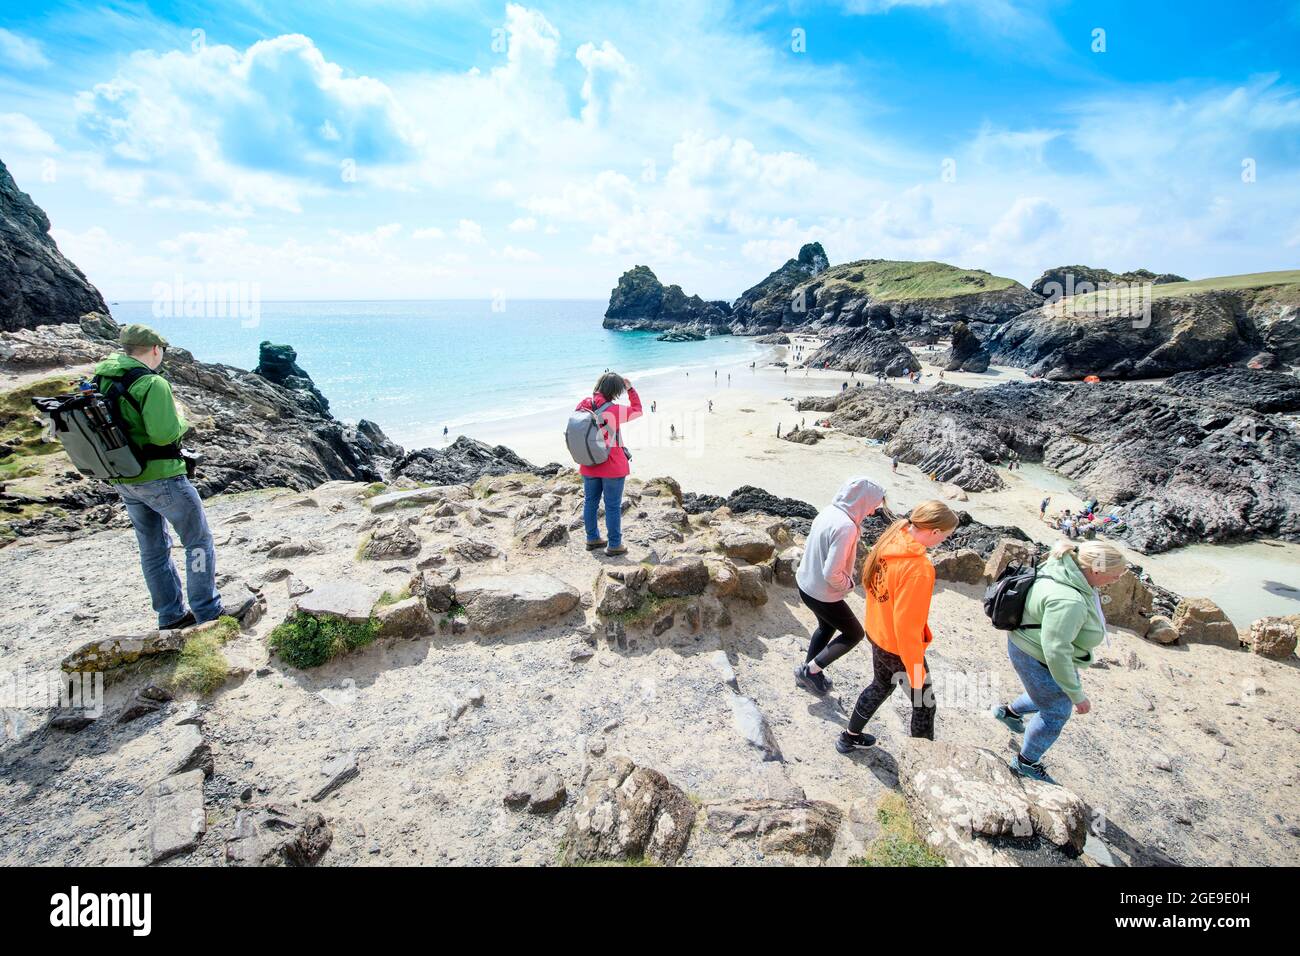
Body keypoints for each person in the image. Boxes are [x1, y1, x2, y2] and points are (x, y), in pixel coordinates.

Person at [94, 324, 251, 629]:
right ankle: (208, 611)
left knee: (153, 548)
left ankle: (170, 615)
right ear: (155, 349)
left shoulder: (101, 377)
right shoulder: (151, 383)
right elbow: (164, 434)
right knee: (198, 542)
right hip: (162, 477)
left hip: (125, 478)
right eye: (162, 351)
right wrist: (181, 419)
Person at [992, 540, 1125, 784]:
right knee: (1056, 710)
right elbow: (1056, 651)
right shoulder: (1069, 600)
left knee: (1047, 692)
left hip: (1024, 644)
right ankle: (1026, 762)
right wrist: (1076, 695)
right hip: (1035, 655)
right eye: (1114, 576)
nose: (1115, 581)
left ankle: (1009, 713)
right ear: (1096, 571)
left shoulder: (1060, 567)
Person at [836, 500, 959, 753]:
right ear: (934, 532)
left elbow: (873, 586)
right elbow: (907, 626)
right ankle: (924, 764)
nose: (943, 541)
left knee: (881, 685)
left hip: (877, 633)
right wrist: (915, 670)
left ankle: (849, 737)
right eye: (945, 536)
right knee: (925, 705)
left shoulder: (892, 539)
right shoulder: (919, 568)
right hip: (898, 647)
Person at [793, 477, 887, 695]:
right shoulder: (846, 527)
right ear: (862, 501)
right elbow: (832, 573)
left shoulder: (829, 511)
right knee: (854, 634)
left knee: (827, 627)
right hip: (822, 593)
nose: (872, 513)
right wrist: (849, 585)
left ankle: (807, 674)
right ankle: (811, 673)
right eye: (873, 506)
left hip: (805, 583)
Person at [574, 371, 642, 556]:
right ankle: (614, 544)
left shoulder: (584, 404)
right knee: (612, 506)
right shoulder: (614, 410)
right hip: (612, 465)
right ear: (615, 390)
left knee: (590, 502)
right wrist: (630, 389)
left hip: (588, 463)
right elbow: (638, 410)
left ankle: (592, 538)